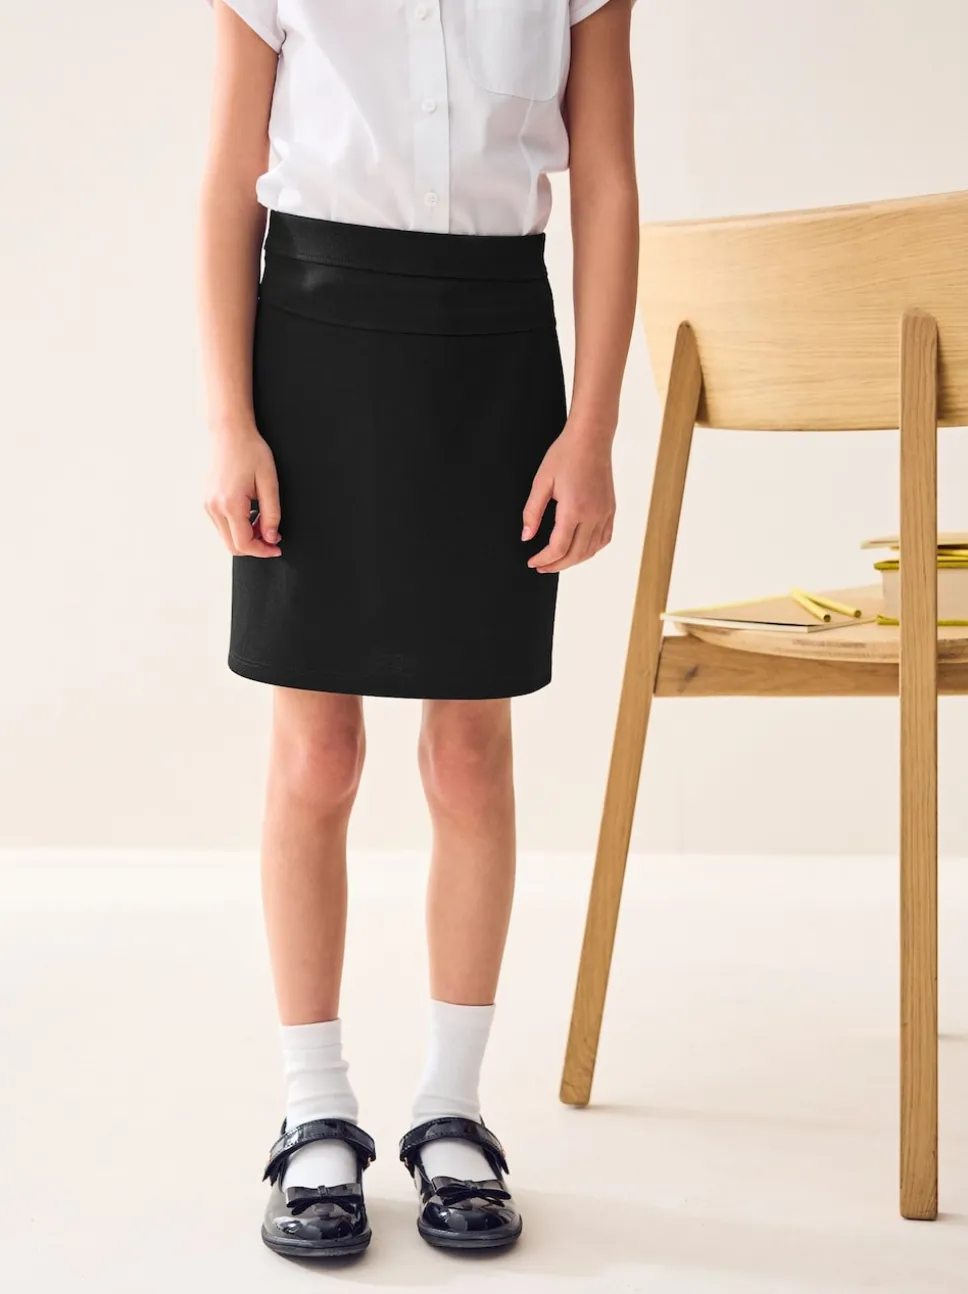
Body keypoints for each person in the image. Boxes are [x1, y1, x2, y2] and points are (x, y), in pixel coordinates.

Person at [197, 0, 637, 1260]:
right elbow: (230, 180)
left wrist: (592, 429)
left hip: (494, 356)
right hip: (312, 346)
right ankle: (313, 1108)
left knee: (468, 759)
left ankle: (452, 1108)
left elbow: (606, 182)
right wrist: (231, 424)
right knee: (314, 757)